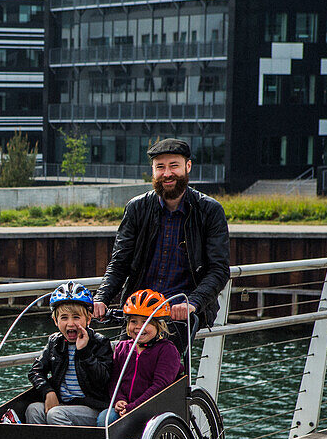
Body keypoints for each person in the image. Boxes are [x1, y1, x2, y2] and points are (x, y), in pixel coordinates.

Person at [92, 138, 230, 350]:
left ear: (188, 166)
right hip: (138, 309)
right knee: (122, 368)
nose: (167, 173)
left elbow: (218, 269)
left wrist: (192, 303)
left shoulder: (209, 211)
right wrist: (101, 298)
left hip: (180, 312)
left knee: (165, 374)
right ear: (153, 171)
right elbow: (119, 262)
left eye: (174, 166)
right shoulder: (137, 208)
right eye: (160, 167)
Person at [26, 281, 114, 426]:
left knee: (56, 414)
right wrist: (48, 391)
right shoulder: (55, 342)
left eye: (76, 317)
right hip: (62, 403)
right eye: (64, 318)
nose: (70, 323)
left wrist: (84, 351)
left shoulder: (100, 343)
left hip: (92, 407)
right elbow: (35, 371)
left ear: (88, 319)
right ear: (55, 321)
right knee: (33, 409)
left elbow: (103, 379)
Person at [97, 289, 184, 427]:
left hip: (152, 409)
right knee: (105, 418)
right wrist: (119, 400)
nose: (138, 327)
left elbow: (160, 386)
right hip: (127, 407)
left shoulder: (167, 350)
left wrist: (133, 407)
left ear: (159, 325)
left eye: (145, 322)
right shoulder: (123, 347)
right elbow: (115, 379)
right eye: (133, 321)